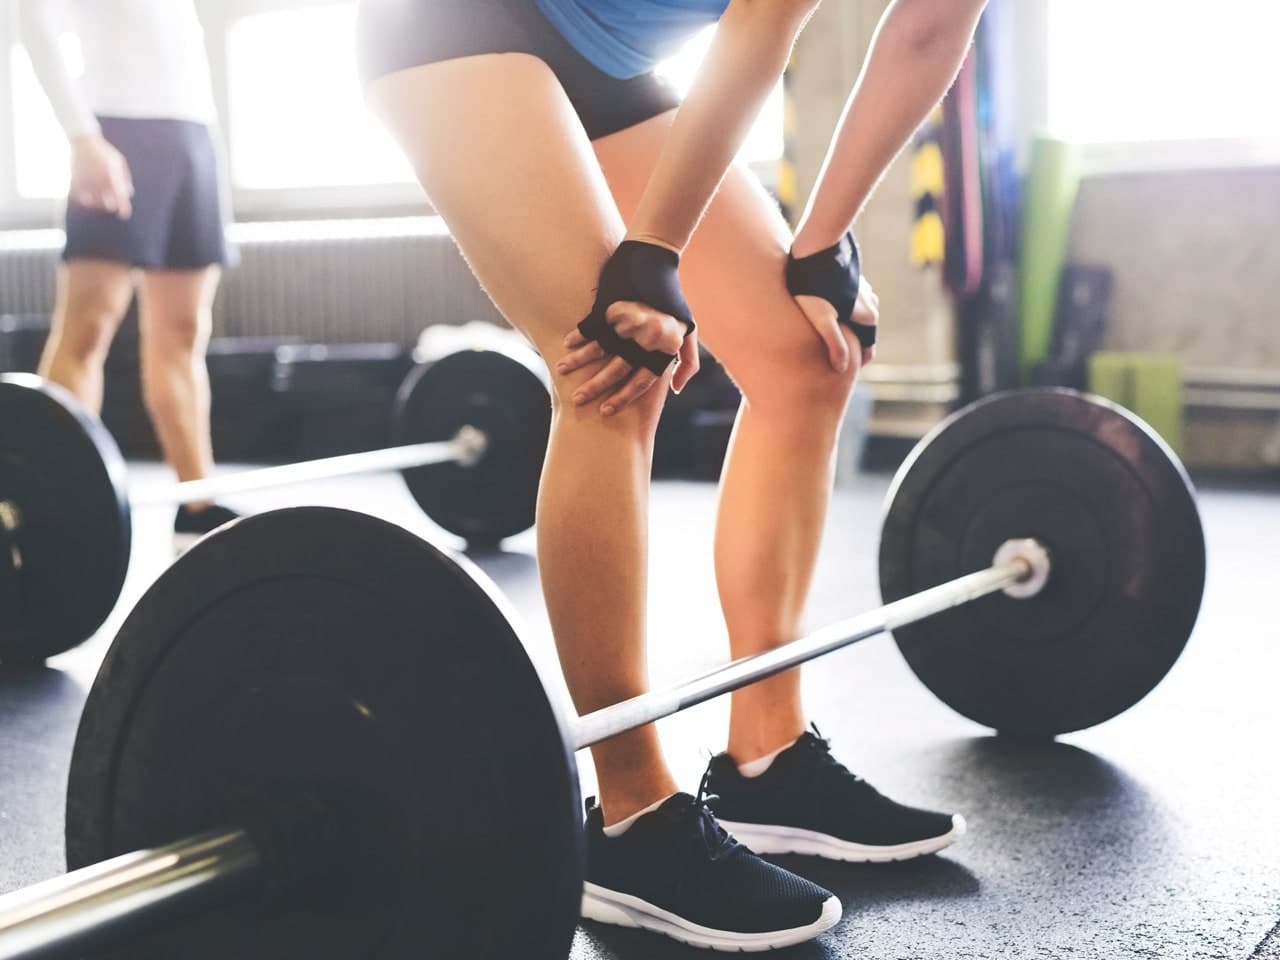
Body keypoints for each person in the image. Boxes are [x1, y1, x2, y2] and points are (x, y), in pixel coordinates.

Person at [357, 0, 987, 949]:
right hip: (456, 19)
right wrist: (647, 261)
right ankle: (631, 817)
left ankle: (766, 758)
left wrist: (822, 246)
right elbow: (763, 18)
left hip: (604, 50)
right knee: (613, 363)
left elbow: (929, 30)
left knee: (807, 357)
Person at [18, 0, 239, 550]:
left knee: (184, 332)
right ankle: (49, 501)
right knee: (88, 330)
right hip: (113, 127)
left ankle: (197, 504)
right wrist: (80, 136)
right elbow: (32, 19)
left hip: (192, 130)